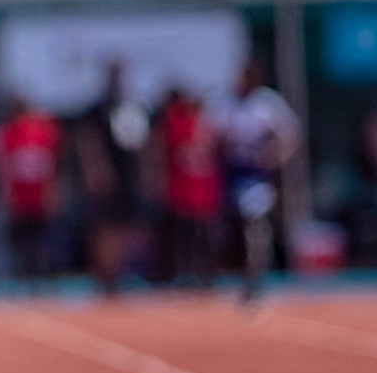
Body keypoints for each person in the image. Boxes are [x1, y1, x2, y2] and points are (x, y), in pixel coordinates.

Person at [216, 59, 301, 304]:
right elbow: (213, 137)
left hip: (255, 176)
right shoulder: (226, 104)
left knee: (255, 225)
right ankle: (236, 272)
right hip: (229, 174)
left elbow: (291, 133)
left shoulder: (267, 103)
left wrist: (275, 156)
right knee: (230, 229)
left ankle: (255, 278)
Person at [75, 62, 149, 295]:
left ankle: (118, 273)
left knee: (126, 225)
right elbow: (88, 140)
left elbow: (144, 143)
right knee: (104, 227)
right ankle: (104, 276)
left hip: (129, 174)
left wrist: (146, 172)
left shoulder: (133, 106)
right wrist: (95, 169)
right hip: (108, 175)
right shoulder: (99, 108)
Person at [0, 95, 63, 291]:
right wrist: (7, 195)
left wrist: (52, 191)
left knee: (44, 240)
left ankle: (45, 279)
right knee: (22, 242)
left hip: (38, 195)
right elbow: (3, 168)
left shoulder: (43, 131)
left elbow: (51, 164)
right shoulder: (7, 133)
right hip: (19, 197)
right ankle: (25, 279)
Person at [155, 88, 222, 288]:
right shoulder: (174, 121)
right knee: (182, 235)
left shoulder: (206, 123)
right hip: (182, 189)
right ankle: (181, 274)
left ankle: (206, 275)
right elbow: (164, 151)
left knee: (205, 236)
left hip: (204, 189)